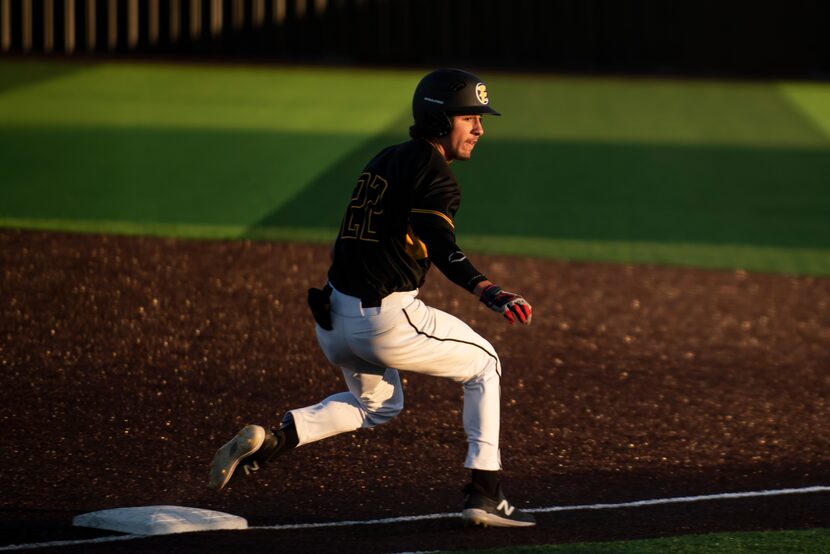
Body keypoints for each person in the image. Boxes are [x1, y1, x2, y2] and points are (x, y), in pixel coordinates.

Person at [208, 68, 536, 528]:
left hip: (334, 318)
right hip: (386, 323)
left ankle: (273, 442)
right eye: (470, 117)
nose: (480, 129)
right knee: (485, 364)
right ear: (441, 120)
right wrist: (489, 290)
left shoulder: (386, 158)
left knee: (378, 407)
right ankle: (485, 492)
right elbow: (442, 246)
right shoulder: (436, 176)